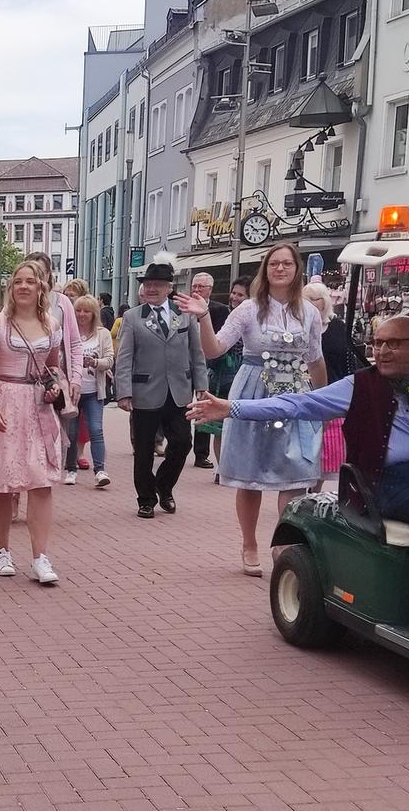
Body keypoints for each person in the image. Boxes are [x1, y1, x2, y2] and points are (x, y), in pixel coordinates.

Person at [189, 316, 409, 592]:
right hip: (390, 481)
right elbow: (298, 404)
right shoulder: (359, 385)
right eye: (378, 343)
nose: (382, 351)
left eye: (394, 344)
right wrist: (231, 407)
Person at [177, 243, 325, 575]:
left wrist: (323, 399)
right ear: (265, 269)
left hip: (294, 392)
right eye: (274, 263)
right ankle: (249, 543)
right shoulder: (248, 309)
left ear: (297, 269)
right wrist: (202, 317)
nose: (281, 269)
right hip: (254, 390)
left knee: (294, 475)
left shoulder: (310, 312)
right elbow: (214, 349)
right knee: (251, 472)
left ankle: (283, 545)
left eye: (287, 263)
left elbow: (315, 358)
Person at [0, 259, 70, 584]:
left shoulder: (52, 325)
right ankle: (2, 550)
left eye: (30, 282)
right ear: (11, 288)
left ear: (41, 288)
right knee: (1, 483)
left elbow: (53, 368)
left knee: (41, 481)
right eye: (18, 282)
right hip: (5, 402)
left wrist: (54, 388)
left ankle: (40, 557)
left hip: (36, 408)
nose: (23, 286)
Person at [117, 253, 207, 519]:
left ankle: (164, 486)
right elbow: (124, 357)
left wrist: (201, 384)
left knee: (182, 443)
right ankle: (145, 499)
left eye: (158, 284)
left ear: (170, 288)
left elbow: (196, 351)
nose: (151, 288)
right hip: (145, 391)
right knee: (144, 449)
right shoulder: (133, 317)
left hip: (179, 391)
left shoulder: (185, 315)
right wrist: (123, 392)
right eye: (147, 284)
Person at [304, 281, 367, 486]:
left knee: (329, 448)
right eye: (303, 300)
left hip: (332, 389)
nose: (306, 304)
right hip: (303, 390)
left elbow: (349, 361)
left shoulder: (338, 327)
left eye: (310, 299)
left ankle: (316, 489)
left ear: (323, 302)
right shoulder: (297, 327)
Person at [65, 295, 112, 487]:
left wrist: (95, 362)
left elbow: (110, 359)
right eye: (78, 310)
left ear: (94, 313)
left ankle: (100, 470)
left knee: (96, 429)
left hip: (94, 391)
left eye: (86, 311)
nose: (82, 314)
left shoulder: (103, 334)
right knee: (72, 432)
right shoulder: (67, 332)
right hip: (72, 392)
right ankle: (70, 470)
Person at [189, 272, 232, 470]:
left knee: (203, 407)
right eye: (194, 286)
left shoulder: (221, 311)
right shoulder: (183, 307)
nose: (196, 290)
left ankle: (201, 453)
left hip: (208, 365)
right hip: (183, 363)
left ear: (210, 290)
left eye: (201, 287)